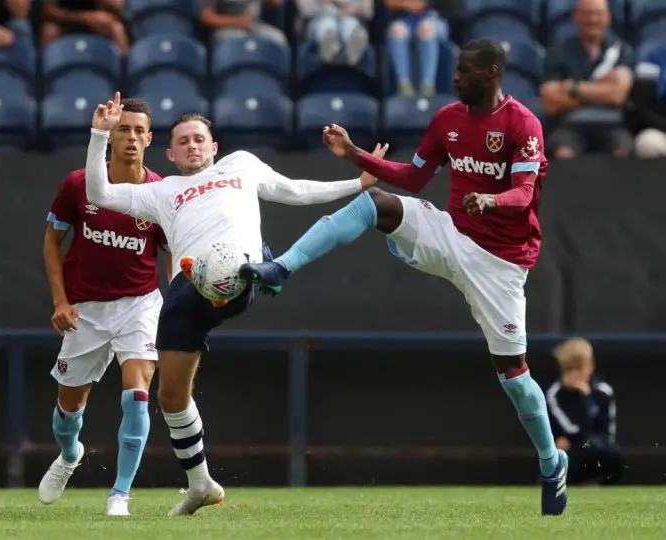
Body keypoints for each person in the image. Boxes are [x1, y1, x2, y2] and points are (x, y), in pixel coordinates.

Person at [241, 37, 569, 516]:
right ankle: (281, 267)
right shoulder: (448, 119)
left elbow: (523, 193)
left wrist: (491, 200)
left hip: (500, 263)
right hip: (451, 232)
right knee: (373, 204)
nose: (455, 78)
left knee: (515, 378)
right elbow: (414, 178)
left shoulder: (522, 124)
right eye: (455, 69)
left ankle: (551, 461)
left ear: (493, 72)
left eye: (465, 71)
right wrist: (355, 154)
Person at [83, 92, 382, 516]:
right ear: (169, 154)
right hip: (186, 290)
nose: (192, 145)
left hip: (235, 272)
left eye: (198, 139)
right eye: (182, 141)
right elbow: (98, 192)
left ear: (214, 146)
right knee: (170, 396)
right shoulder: (162, 191)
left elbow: (293, 190)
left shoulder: (241, 164)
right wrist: (99, 134)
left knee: (226, 267)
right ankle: (201, 484)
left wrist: (357, 184)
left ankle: (257, 267)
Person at [39, 98, 170, 517]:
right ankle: (70, 453)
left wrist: (176, 304)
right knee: (69, 410)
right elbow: (52, 240)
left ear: (149, 139)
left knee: (137, 393)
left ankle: (120, 494)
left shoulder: (159, 192)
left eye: (138, 130)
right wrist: (60, 300)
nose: (131, 137)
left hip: (140, 304)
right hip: (86, 309)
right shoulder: (79, 184)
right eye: (123, 129)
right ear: (109, 136)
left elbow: (172, 253)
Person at [539, 0, 634, 159]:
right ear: (576, 16)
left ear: (608, 17)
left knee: (623, 152)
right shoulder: (558, 52)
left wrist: (572, 88)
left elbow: (618, 96)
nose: (593, 19)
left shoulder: (623, 51)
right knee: (563, 153)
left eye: (598, 14)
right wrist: (603, 92)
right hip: (569, 127)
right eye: (587, 13)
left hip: (613, 126)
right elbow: (550, 101)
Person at [547, 338, 621, 485]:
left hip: (599, 449)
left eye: (579, 368)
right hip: (571, 453)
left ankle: (603, 485)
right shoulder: (555, 394)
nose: (575, 374)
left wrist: (586, 398)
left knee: (609, 453)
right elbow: (573, 431)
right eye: (569, 370)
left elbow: (607, 433)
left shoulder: (603, 392)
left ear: (591, 366)